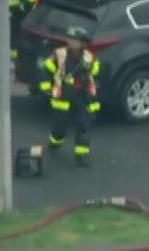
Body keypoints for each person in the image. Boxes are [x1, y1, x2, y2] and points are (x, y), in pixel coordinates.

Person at [37, 26, 102, 168]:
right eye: (70, 39)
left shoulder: (89, 57)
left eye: (75, 40)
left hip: (83, 97)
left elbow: (96, 72)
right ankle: (54, 144)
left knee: (84, 126)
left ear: (83, 43)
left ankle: (81, 155)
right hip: (64, 97)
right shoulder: (59, 55)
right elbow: (46, 70)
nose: (71, 42)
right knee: (60, 126)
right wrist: (46, 89)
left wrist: (91, 79)